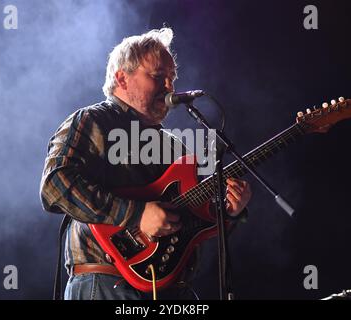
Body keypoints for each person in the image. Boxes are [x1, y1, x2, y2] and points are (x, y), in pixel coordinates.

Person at [39, 27, 251, 300]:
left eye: (172, 78)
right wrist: (136, 214)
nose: (169, 87)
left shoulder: (175, 146)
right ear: (122, 79)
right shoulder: (93, 121)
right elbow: (54, 185)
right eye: (158, 76)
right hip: (107, 283)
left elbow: (194, 224)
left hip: (172, 287)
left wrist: (228, 211)